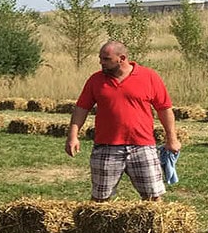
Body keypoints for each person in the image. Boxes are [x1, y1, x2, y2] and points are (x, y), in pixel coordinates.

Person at [65, 40, 181, 201]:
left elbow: (164, 109)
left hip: (143, 146)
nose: (101, 62)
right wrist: (72, 136)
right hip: (107, 147)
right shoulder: (95, 80)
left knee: (153, 198)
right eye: (100, 58)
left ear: (122, 58)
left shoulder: (149, 76)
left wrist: (172, 139)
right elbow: (81, 109)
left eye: (106, 59)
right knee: (99, 200)